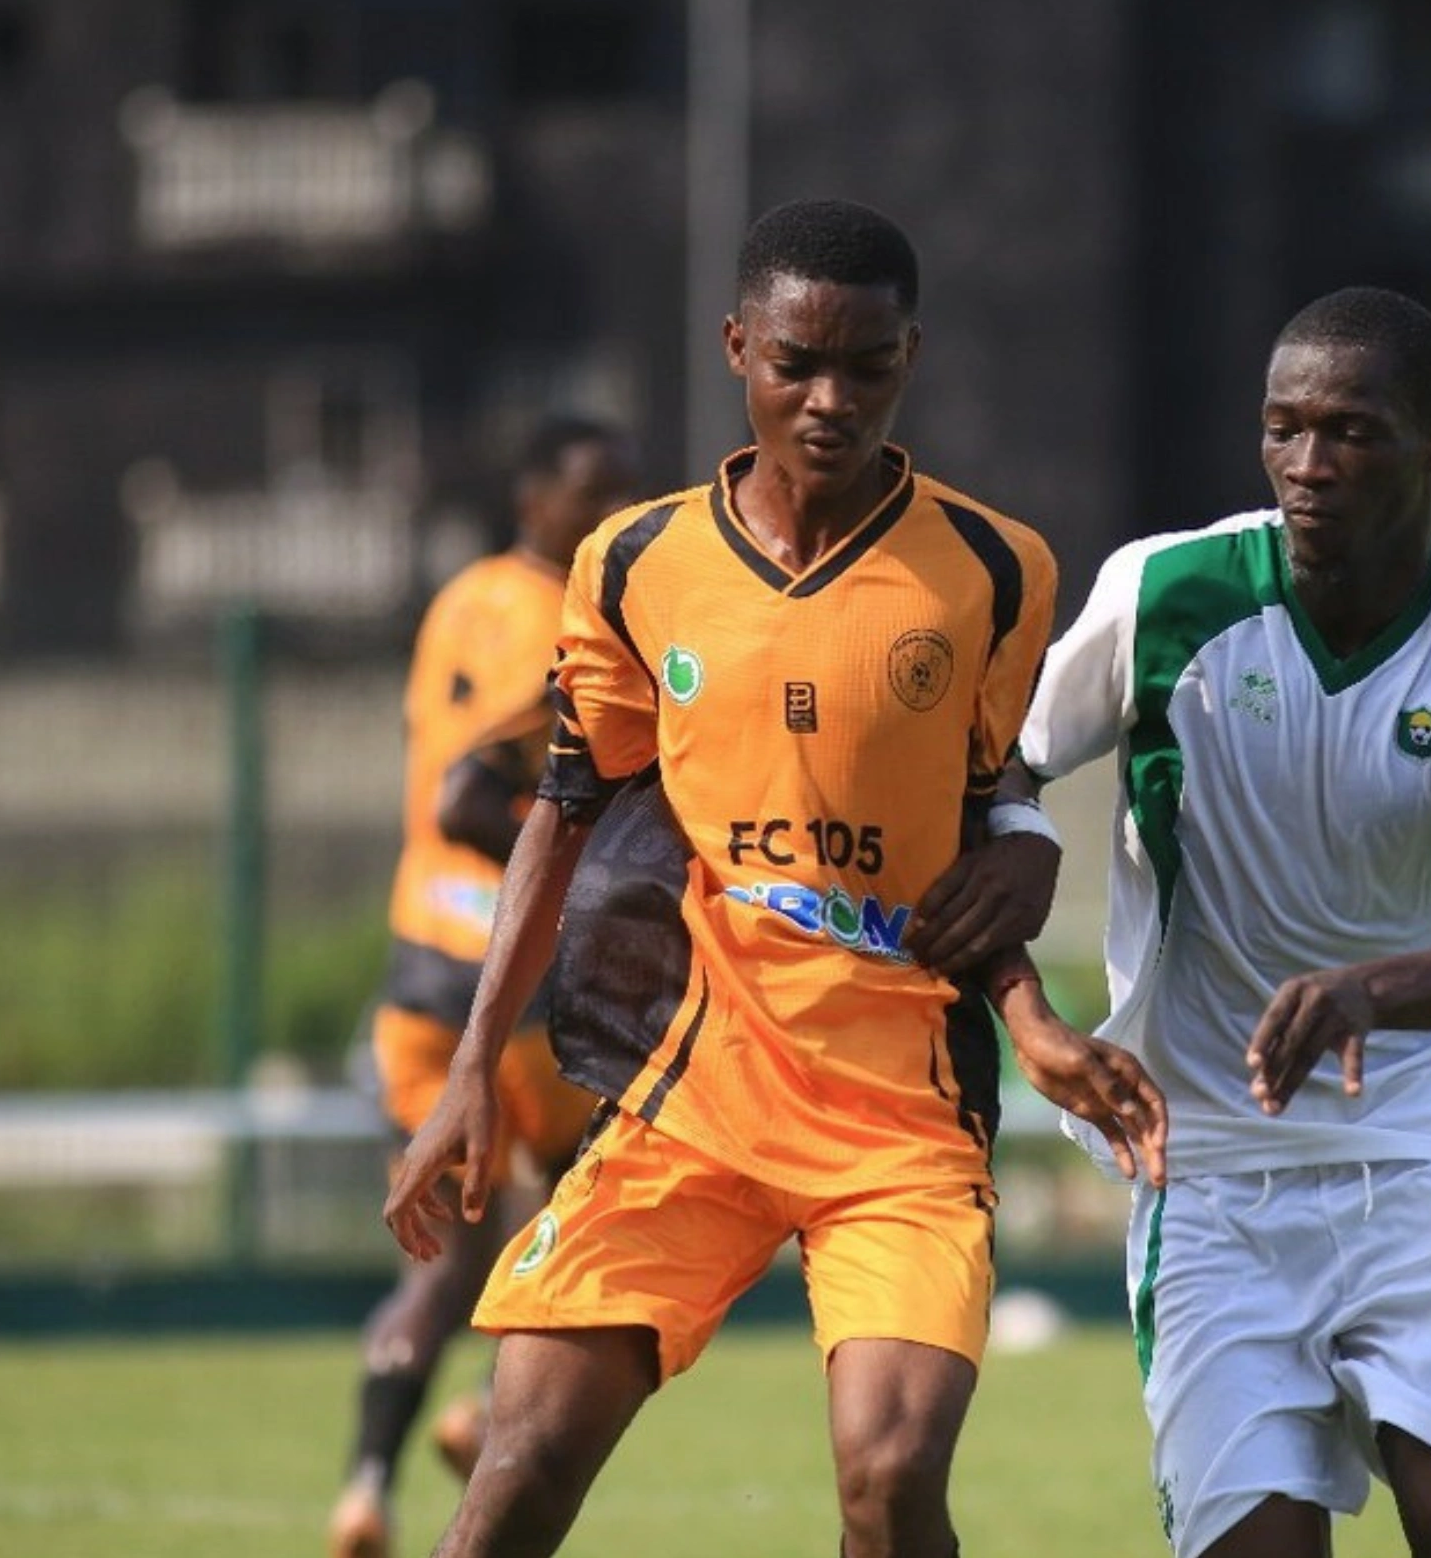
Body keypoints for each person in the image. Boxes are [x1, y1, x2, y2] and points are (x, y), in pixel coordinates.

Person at [382, 197, 1165, 1558]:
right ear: (738, 347)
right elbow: (562, 811)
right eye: (796, 361)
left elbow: (986, 815)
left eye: (867, 364)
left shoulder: (994, 569)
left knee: (892, 1475)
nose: (829, 397)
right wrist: (468, 1076)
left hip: (899, 1115)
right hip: (691, 1098)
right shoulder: (637, 564)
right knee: (518, 1467)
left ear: (910, 357)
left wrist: (1033, 1013)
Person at [1004, 286, 1431, 1558]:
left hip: (1419, 1160)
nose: (1308, 466)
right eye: (1284, 430)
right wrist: (1031, 1018)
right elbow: (992, 775)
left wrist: (1372, 990)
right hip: (1205, 1171)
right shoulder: (1164, 594)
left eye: (1352, 432)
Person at [329, 416, 638, 1558]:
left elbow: (434, 779)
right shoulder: (570, 619)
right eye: (592, 493)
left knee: (458, 1255)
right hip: (522, 989)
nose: (611, 510)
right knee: (589, 1231)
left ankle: (367, 1482)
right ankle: (493, 1421)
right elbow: (478, 799)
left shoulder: (458, 597)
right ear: (532, 500)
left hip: (419, 967)